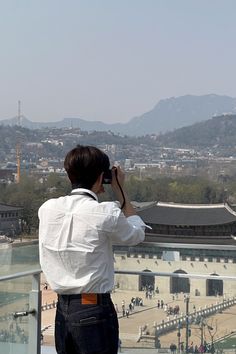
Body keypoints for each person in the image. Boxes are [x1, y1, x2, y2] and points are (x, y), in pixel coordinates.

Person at [38, 145, 147, 354]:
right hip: (94, 307)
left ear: (69, 175)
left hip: (63, 309)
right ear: (102, 177)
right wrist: (120, 189)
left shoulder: (48, 208)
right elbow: (136, 235)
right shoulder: (105, 212)